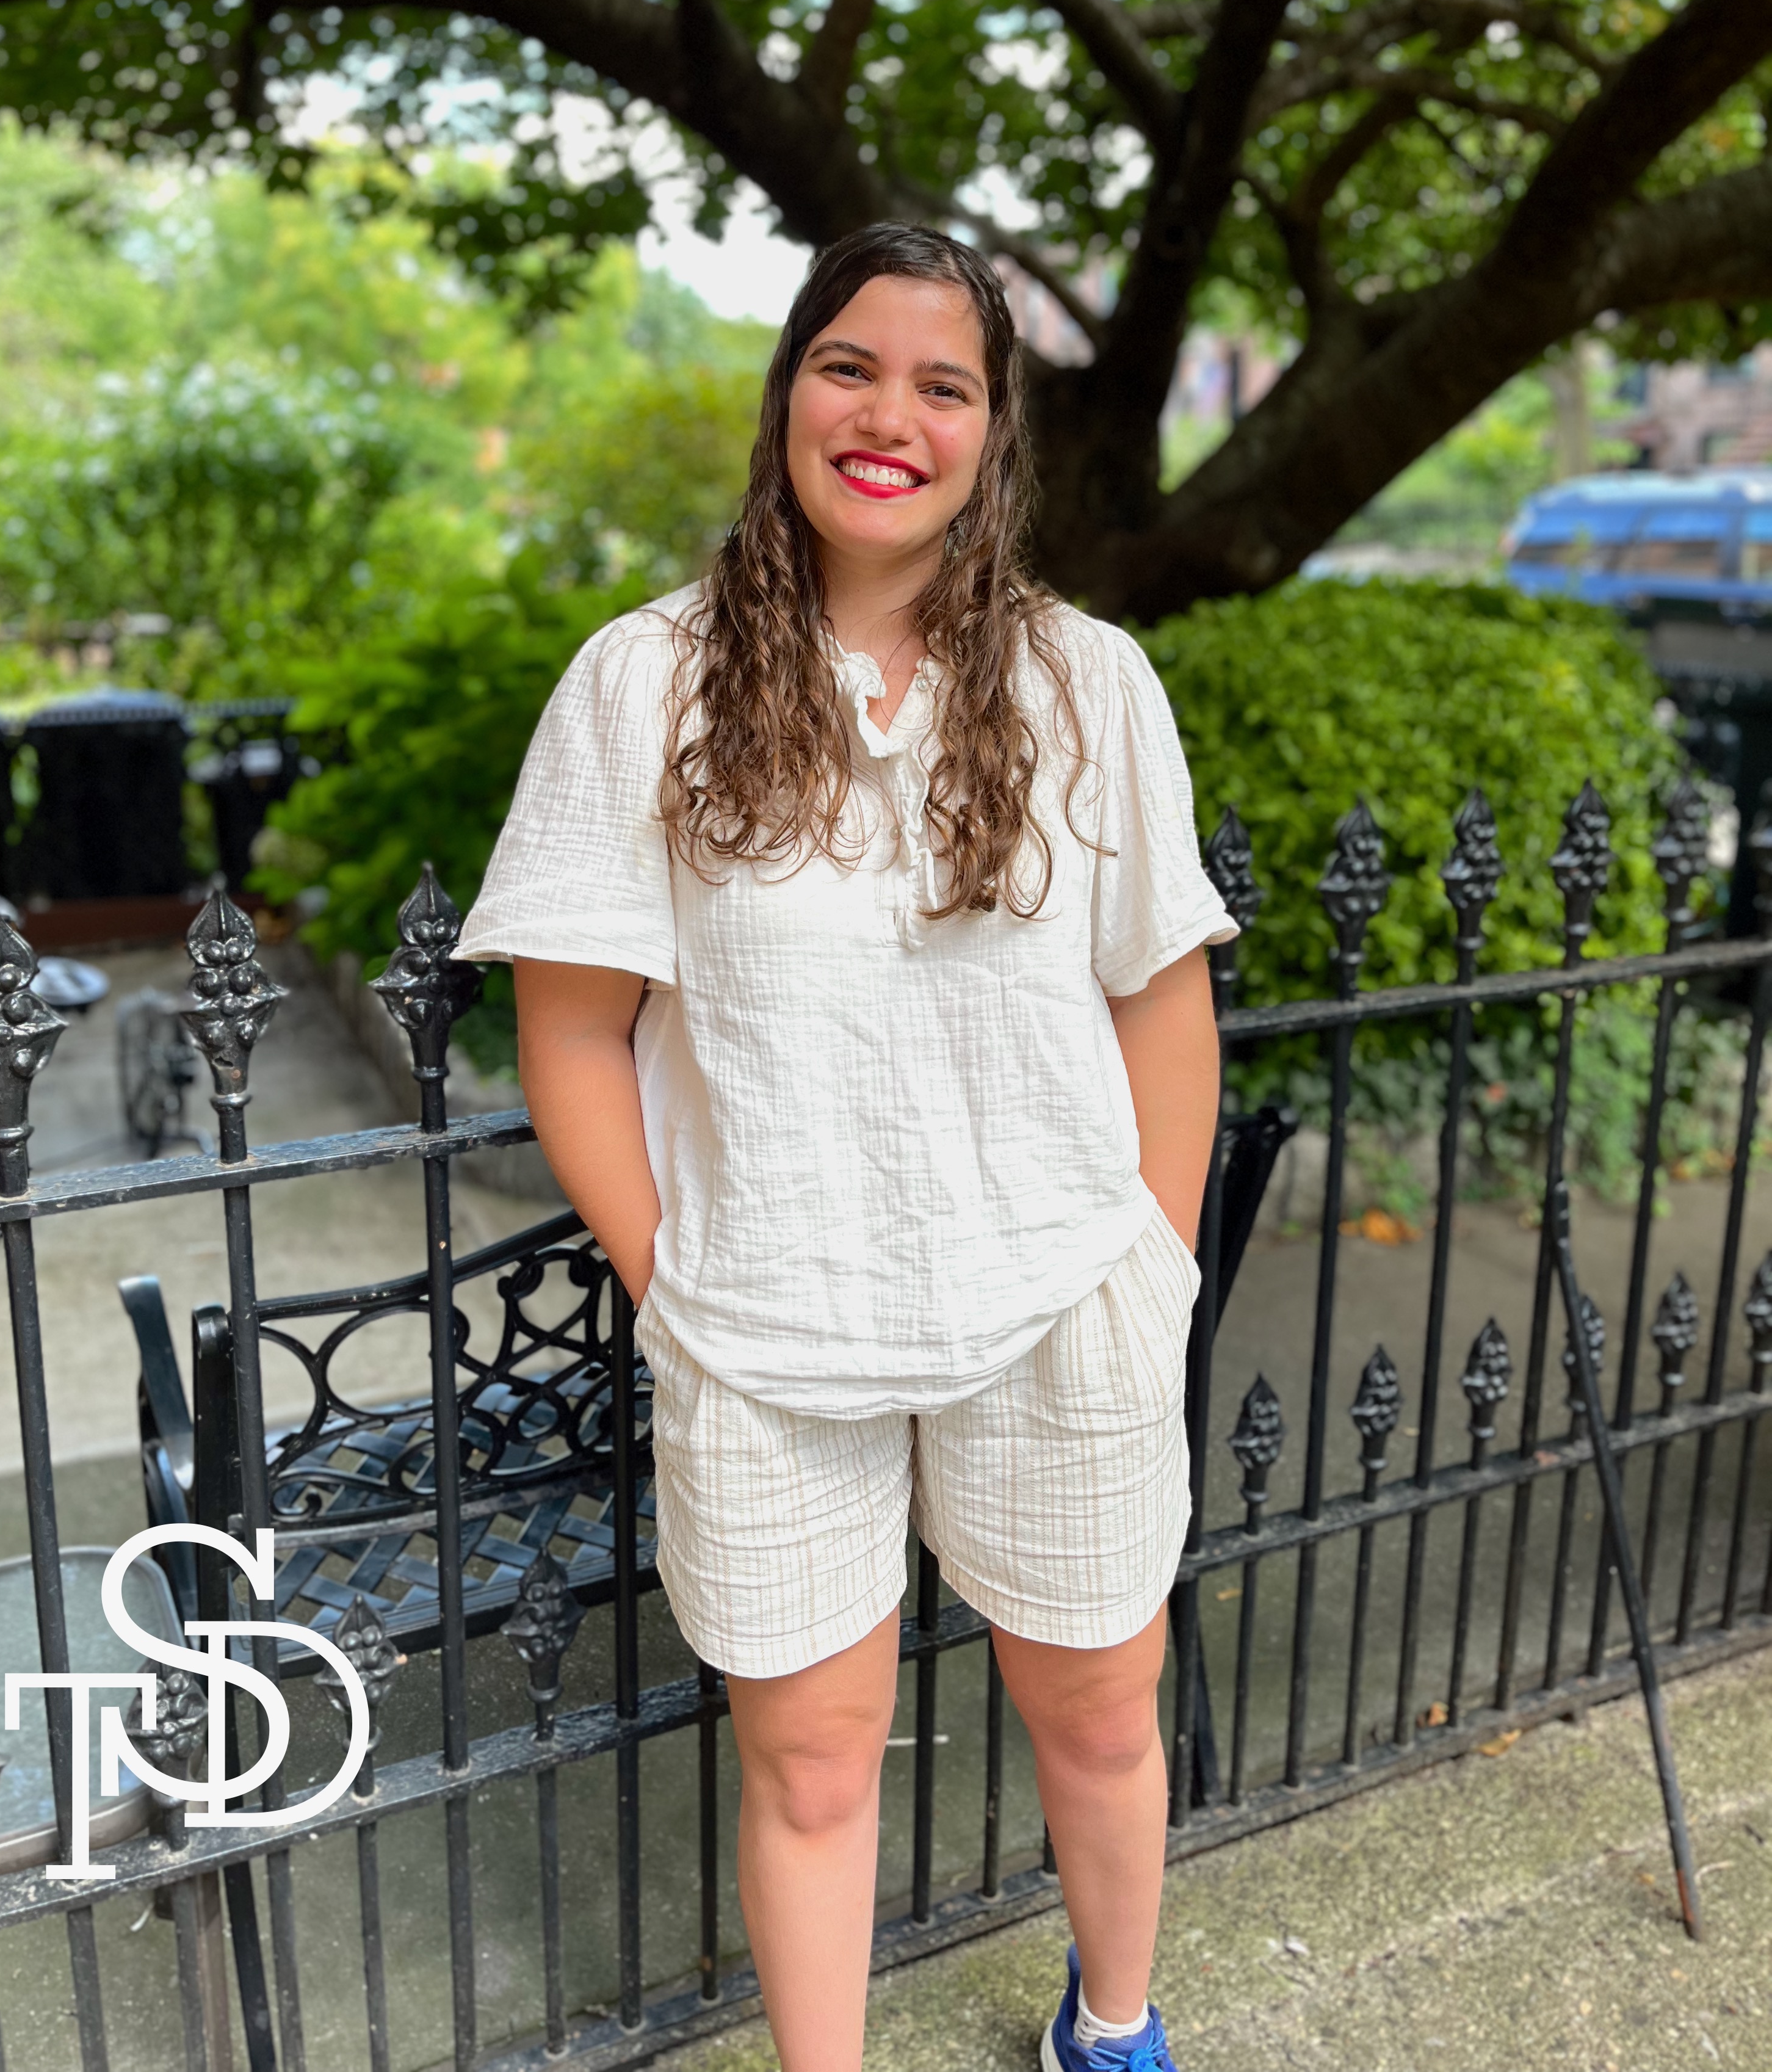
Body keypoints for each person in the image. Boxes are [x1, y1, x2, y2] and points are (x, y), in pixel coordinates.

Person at [457, 222, 1234, 2072]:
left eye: (944, 384)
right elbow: (570, 1029)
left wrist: (1158, 1263)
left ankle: (1111, 2031)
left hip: (1058, 1301)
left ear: (994, 435)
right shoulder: (643, 688)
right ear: (789, 391)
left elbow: (1159, 997)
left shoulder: (1088, 686)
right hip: (769, 1329)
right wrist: (683, 1285)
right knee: (810, 1766)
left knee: (1105, 1718)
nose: (891, 415)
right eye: (849, 366)